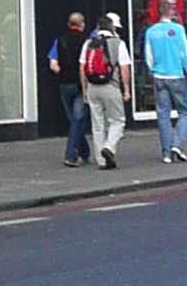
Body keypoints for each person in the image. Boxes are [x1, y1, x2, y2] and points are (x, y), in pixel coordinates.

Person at [142, 0, 187, 162]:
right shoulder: (178, 30)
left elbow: (148, 55)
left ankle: (166, 153)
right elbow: (184, 53)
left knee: (163, 114)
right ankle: (177, 145)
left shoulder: (150, 31)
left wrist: (153, 70)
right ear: (171, 12)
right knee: (184, 112)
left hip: (159, 77)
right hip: (177, 75)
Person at [84, 12, 129, 168]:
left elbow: (82, 67)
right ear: (112, 27)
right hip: (110, 86)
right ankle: (109, 148)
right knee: (117, 121)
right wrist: (127, 89)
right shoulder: (118, 43)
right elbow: (124, 68)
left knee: (97, 126)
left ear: (97, 27)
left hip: (92, 87)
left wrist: (85, 90)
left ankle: (102, 162)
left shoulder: (88, 43)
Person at [49, 11, 91, 166]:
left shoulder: (60, 40)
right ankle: (71, 155)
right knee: (78, 120)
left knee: (74, 120)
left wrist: (64, 73)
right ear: (82, 24)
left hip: (64, 84)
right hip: (80, 85)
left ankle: (85, 152)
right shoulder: (87, 41)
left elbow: (53, 64)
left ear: (69, 24)